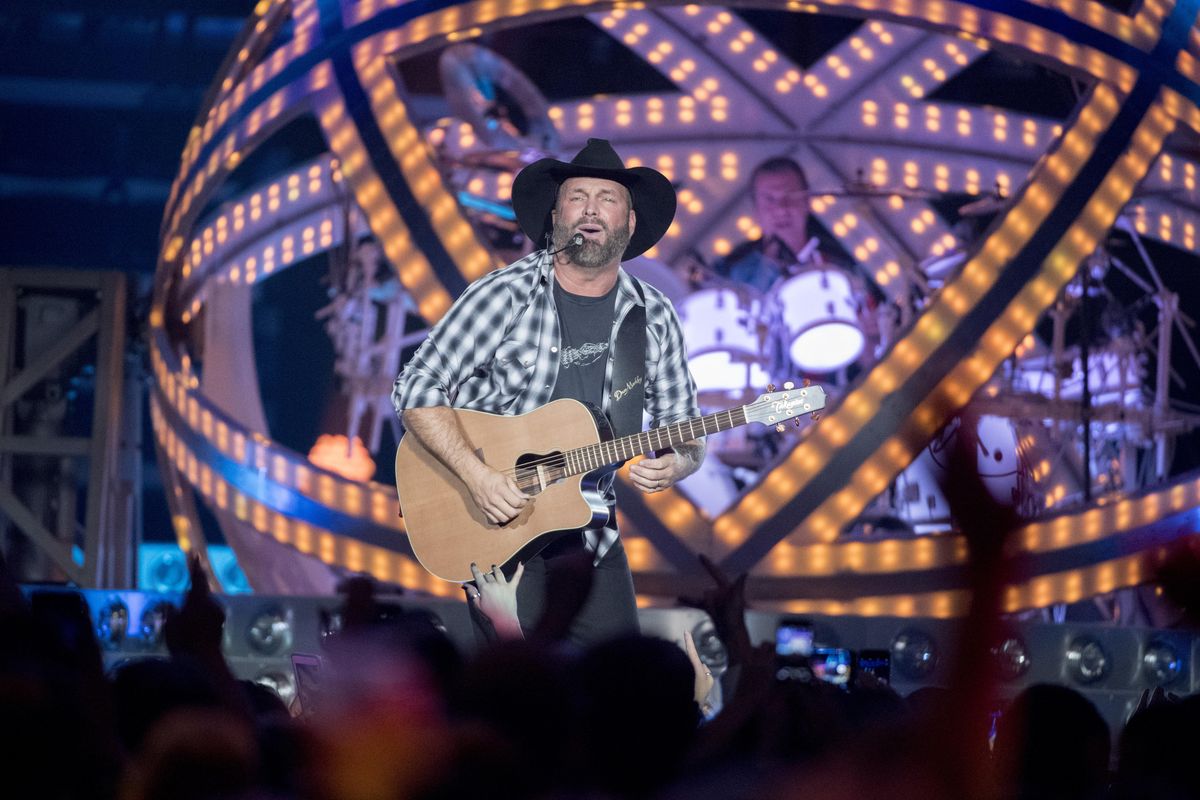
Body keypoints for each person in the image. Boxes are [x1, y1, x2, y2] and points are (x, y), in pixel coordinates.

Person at [392, 138, 705, 646]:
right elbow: (415, 387)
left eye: (608, 199)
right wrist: (478, 478)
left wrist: (681, 462)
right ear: (555, 215)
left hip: (592, 532)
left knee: (619, 693)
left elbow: (684, 424)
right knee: (527, 703)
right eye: (577, 197)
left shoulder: (653, 315)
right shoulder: (506, 293)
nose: (591, 210)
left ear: (628, 223)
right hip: (499, 529)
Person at [713, 155, 820, 294]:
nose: (781, 209)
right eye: (769, 199)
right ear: (755, 209)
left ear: (807, 201)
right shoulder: (729, 272)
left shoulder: (842, 264)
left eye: (790, 196)